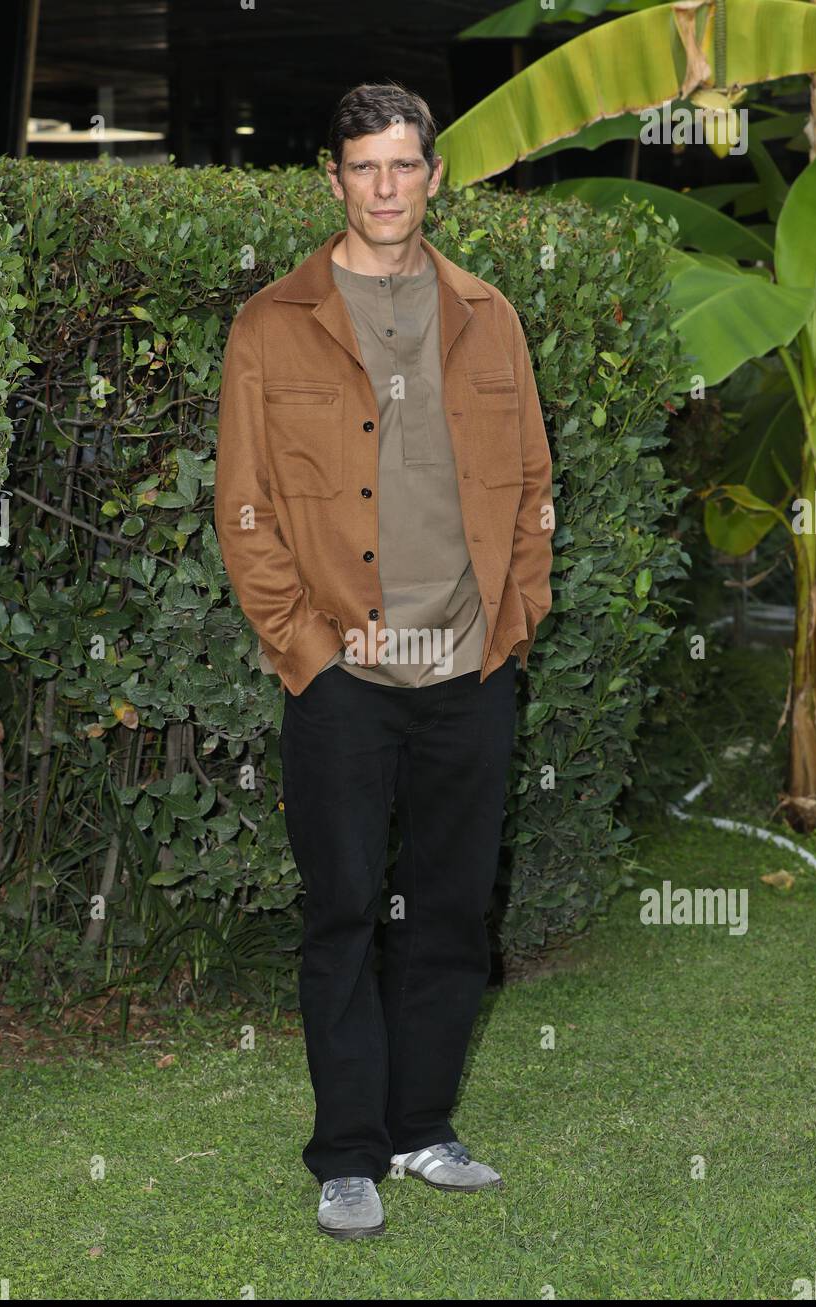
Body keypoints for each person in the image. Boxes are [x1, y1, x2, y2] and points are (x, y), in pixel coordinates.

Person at [214, 81, 555, 1239]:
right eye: (363, 168)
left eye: (404, 165)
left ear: (433, 177)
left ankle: (423, 1128)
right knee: (344, 913)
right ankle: (347, 1152)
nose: (385, 188)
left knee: (454, 912)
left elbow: (532, 488)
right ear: (333, 181)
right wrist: (304, 649)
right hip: (345, 679)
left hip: (466, 670)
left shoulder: (487, 316)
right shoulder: (272, 323)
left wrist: (514, 617)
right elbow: (245, 508)